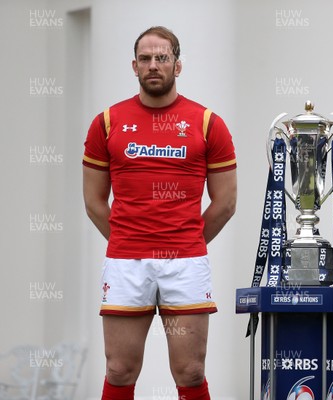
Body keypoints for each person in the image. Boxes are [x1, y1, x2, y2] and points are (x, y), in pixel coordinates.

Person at [82, 26, 237, 400]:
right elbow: (93, 201)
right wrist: (128, 238)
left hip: (185, 262)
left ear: (177, 65)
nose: (154, 65)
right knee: (119, 371)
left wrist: (185, 240)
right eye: (146, 59)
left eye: (162, 58)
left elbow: (225, 203)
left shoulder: (207, 123)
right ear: (134, 66)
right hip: (125, 261)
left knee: (190, 370)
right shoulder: (107, 122)